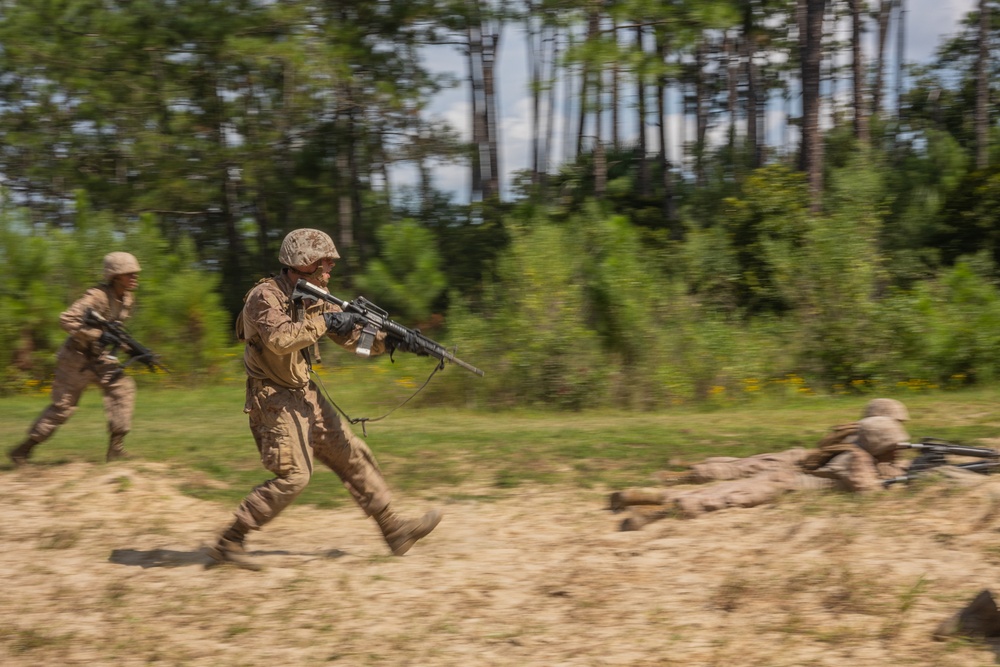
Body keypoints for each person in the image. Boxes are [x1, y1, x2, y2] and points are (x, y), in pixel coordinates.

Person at [206, 228, 442, 570]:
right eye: (324, 263)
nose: (329, 270)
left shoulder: (316, 294)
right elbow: (281, 340)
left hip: (305, 393)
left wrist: (392, 343)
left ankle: (395, 529)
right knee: (295, 476)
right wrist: (327, 319)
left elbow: (351, 340)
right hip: (272, 397)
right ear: (302, 263)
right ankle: (231, 540)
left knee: (352, 455)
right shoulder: (264, 296)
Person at [609, 398, 914, 529]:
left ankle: (642, 495)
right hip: (786, 484)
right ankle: (652, 510)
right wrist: (906, 478)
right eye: (894, 444)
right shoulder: (858, 458)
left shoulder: (854, 443)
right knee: (725, 496)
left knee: (731, 481)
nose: (898, 449)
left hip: (789, 476)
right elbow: (870, 492)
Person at [8, 252, 142, 466]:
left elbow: (114, 330)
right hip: (75, 358)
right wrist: (96, 335)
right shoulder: (96, 296)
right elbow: (67, 319)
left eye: (136, 273)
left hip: (99, 358)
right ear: (115, 276)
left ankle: (116, 448)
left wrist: (129, 348)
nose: (135, 276)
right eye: (129, 273)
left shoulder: (127, 299)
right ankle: (23, 450)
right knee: (63, 409)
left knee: (123, 388)